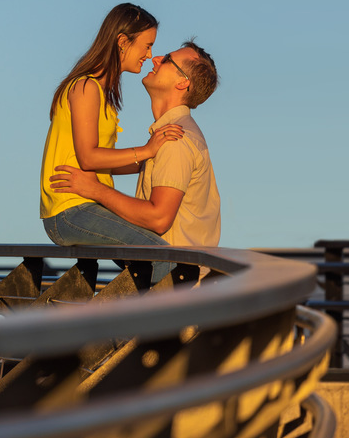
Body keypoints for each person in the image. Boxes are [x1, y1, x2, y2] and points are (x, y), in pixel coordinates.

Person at [47, 41, 221, 281]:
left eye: (167, 59)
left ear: (182, 82)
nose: (155, 58)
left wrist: (94, 190)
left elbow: (159, 218)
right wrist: (92, 161)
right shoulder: (167, 136)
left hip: (177, 290)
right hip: (175, 287)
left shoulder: (176, 139)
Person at [39, 4, 185, 250]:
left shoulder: (101, 93)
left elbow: (104, 163)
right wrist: (146, 150)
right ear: (123, 42)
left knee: (152, 254)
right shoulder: (85, 87)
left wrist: (155, 158)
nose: (149, 55)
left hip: (86, 206)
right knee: (159, 253)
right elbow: (88, 158)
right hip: (70, 209)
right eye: (147, 45)